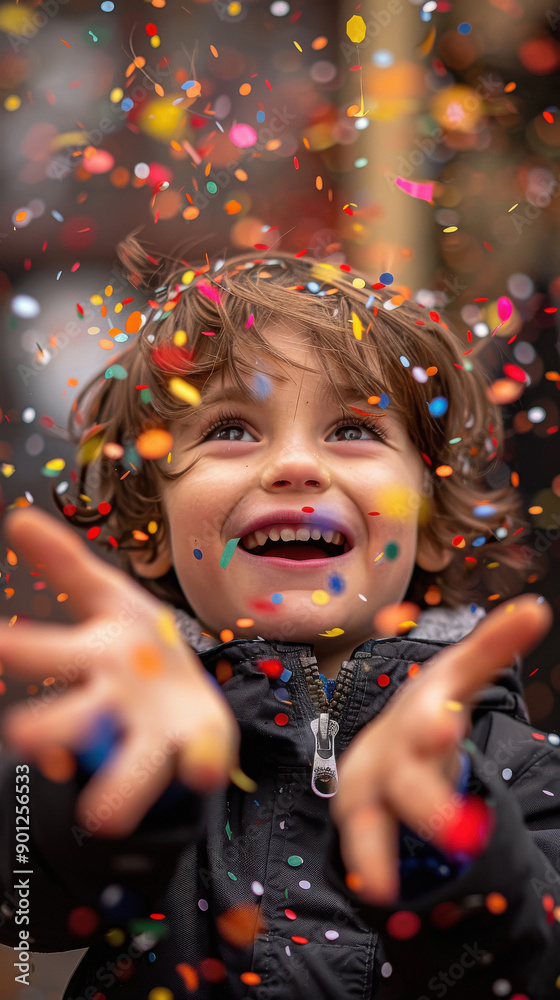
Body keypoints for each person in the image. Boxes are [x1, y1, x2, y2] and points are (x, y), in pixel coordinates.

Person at [0, 242, 558, 1000]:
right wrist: (112, 771)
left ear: (429, 523)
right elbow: (25, 910)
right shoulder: (140, 721)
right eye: (230, 430)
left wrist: (442, 823)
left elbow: (534, 964)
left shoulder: (517, 765)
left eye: (354, 430)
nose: (295, 466)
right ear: (153, 531)